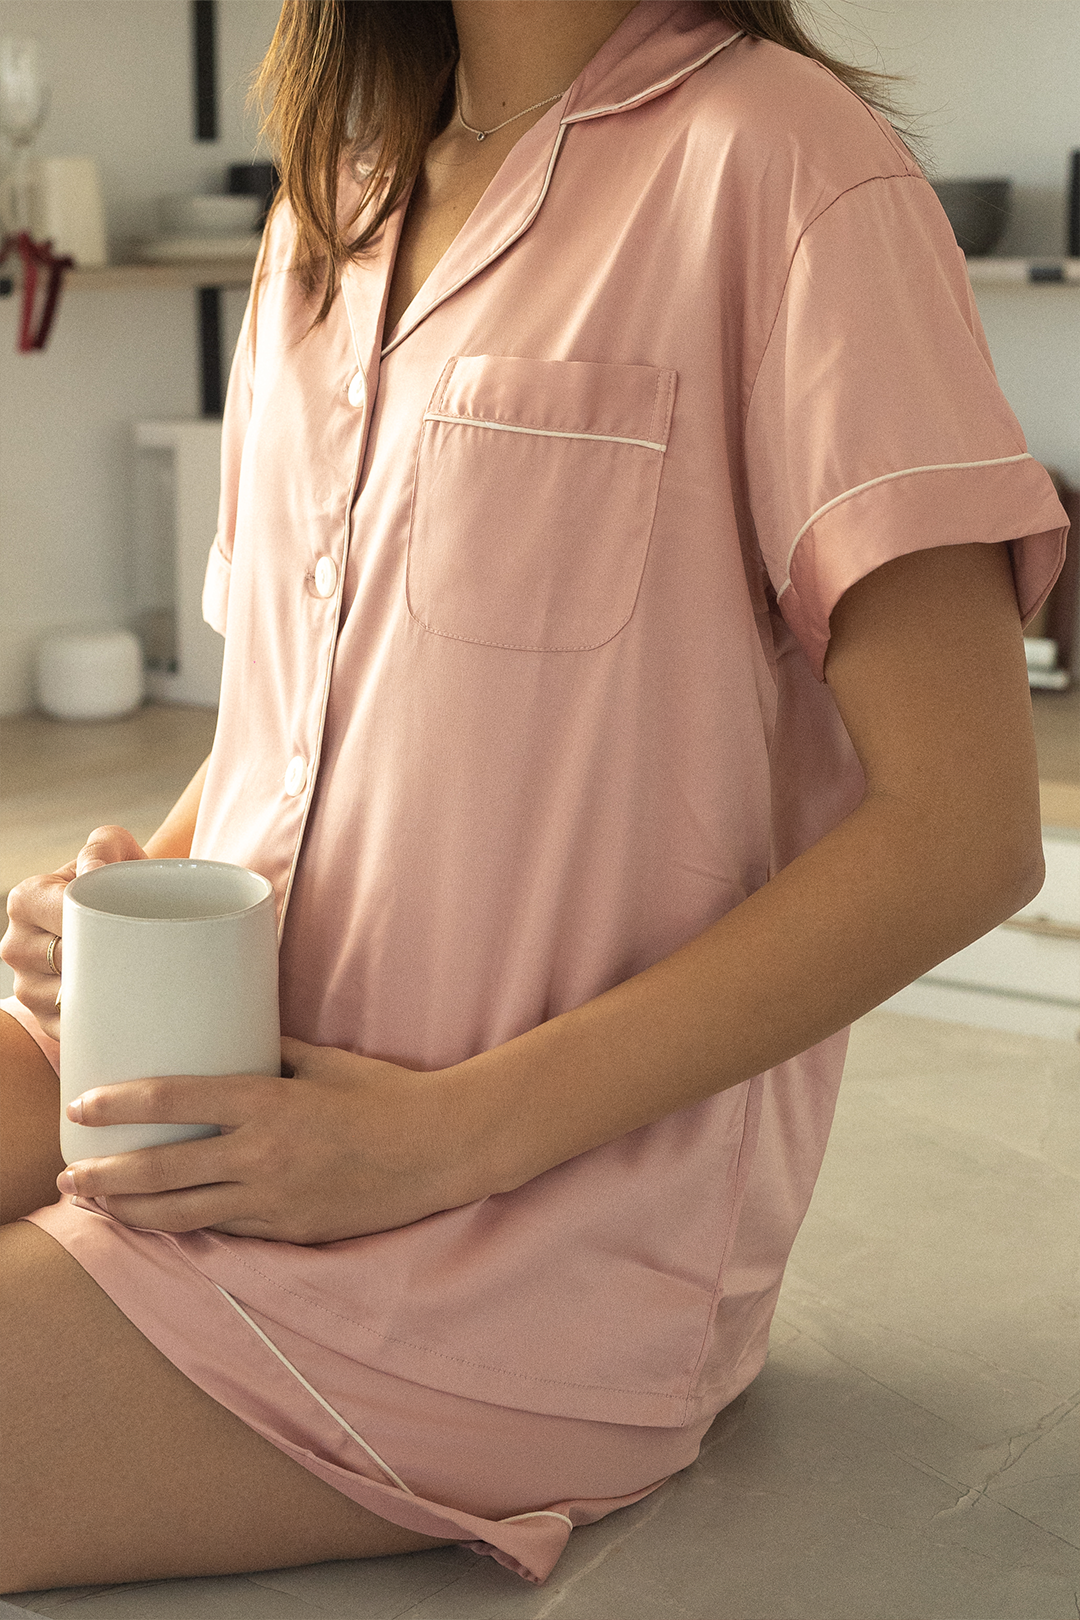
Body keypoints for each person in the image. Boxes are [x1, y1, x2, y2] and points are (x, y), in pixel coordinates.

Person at [0, 0, 1068, 1595]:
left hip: (502, 1256)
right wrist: (136, 902)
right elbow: (298, 716)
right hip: (210, 1080)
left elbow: (963, 831)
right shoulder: (331, 196)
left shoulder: (789, 171)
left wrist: (427, 1147)